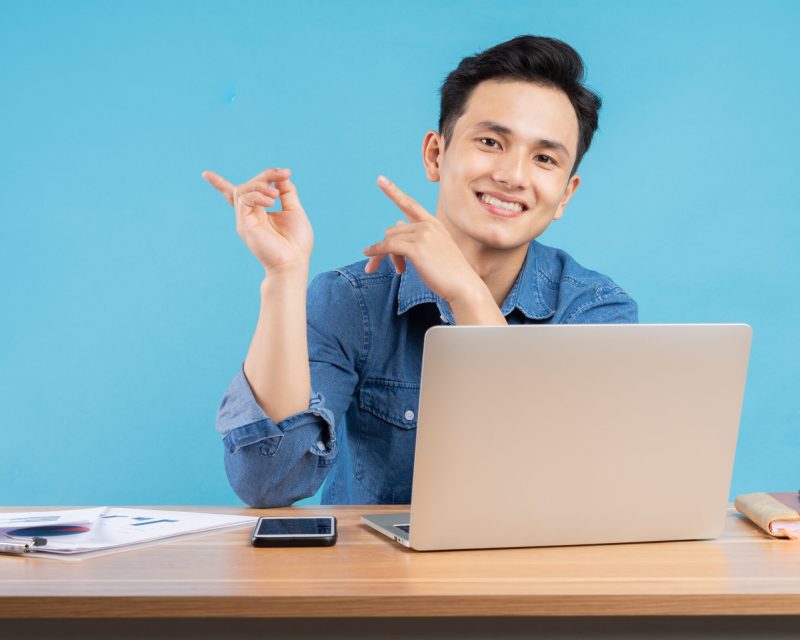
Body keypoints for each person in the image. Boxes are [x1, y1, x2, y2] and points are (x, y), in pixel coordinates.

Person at [203, 35, 638, 507]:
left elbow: (562, 486)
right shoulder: (352, 300)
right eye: (491, 142)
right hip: (377, 579)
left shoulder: (594, 310)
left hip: (528, 580)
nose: (513, 176)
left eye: (544, 158)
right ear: (436, 154)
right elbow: (269, 482)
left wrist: (467, 295)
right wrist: (284, 275)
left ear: (566, 194)